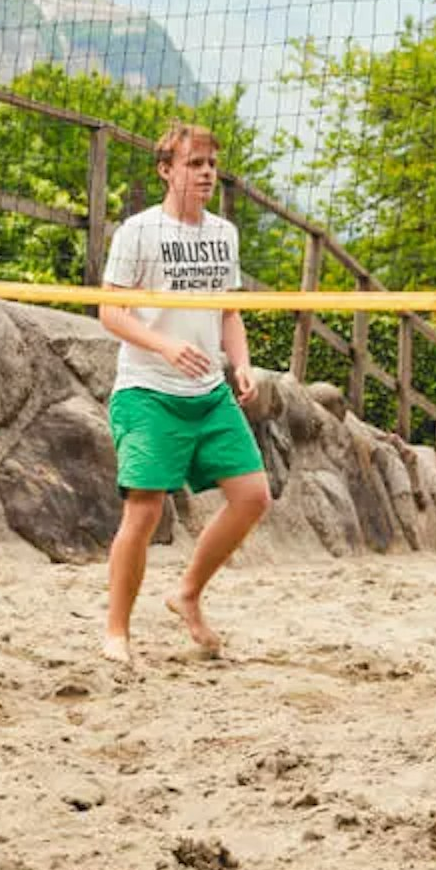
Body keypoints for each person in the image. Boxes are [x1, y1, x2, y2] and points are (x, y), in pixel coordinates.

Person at [96, 123, 268, 666]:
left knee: (253, 496)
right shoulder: (138, 232)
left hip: (208, 391)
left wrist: (240, 364)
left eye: (211, 165)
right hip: (148, 389)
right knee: (144, 513)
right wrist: (165, 346)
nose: (207, 174)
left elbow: (230, 312)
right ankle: (116, 632)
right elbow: (109, 312)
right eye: (195, 164)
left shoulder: (223, 233)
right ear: (166, 170)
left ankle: (187, 593)